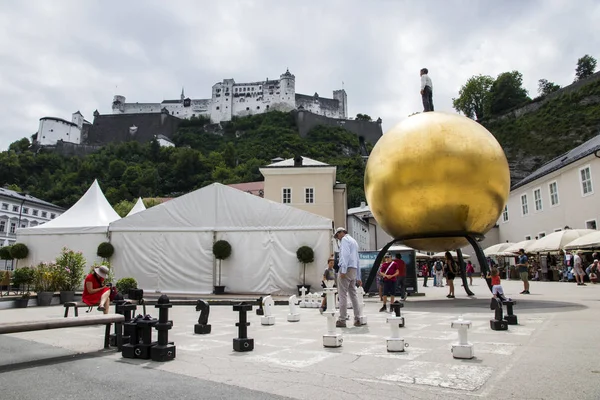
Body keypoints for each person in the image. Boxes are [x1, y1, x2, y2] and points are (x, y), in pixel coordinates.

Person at [333, 227, 364, 327]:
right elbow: (358, 260)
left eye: (337, 236)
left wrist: (343, 269)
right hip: (354, 270)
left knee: (342, 295)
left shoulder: (345, 240)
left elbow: (345, 255)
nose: (338, 238)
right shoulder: (354, 241)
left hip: (346, 269)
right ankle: (357, 318)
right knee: (353, 295)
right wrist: (359, 277)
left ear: (340, 233)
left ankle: (342, 319)